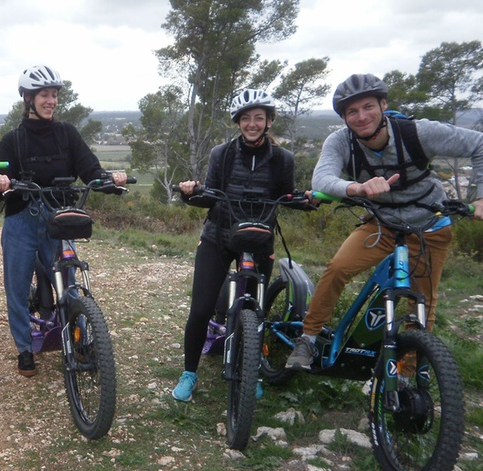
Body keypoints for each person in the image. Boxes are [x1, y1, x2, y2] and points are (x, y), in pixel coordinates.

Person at [286, 73, 483, 370]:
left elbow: (479, 144)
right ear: (344, 117)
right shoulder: (341, 141)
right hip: (380, 223)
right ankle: (309, 338)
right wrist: (358, 188)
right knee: (338, 268)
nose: (361, 116)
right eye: (352, 111)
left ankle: (409, 372)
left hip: (429, 222)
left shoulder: (418, 133)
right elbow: (322, 178)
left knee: (422, 300)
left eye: (368, 107)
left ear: (383, 105)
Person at [0, 65, 127, 376]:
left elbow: (90, 168)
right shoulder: (14, 139)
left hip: (59, 217)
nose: (50, 101)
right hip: (21, 217)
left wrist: (108, 180)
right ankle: (24, 348)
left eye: (53, 95)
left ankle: (79, 335)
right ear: (28, 98)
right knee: (17, 284)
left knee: (70, 281)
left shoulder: (67, 134)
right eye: (44, 95)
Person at [172, 89, 296, 402]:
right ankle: (189, 373)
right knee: (200, 309)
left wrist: (306, 199)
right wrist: (190, 193)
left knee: (256, 311)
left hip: (260, 237)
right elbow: (210, 196)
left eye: (258, 118)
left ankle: (249, 368)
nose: (252, 124)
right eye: (246, 118)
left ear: (269, 121)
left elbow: (288, 196)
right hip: (219, 236)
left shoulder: (283, 159)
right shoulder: (222, 154)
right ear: (238, 122)